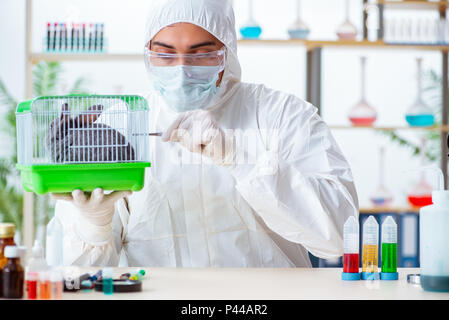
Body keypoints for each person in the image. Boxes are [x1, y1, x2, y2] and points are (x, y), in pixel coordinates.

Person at [49, 0, 359, 267]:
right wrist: (95, 225)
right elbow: (76, 274)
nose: (182, 69)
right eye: (165, 54)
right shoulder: (120, 126)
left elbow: (340, 238)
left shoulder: (283, 116)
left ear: (227, 52)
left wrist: (242, 158)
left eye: (201, 54)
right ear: (148, 54)